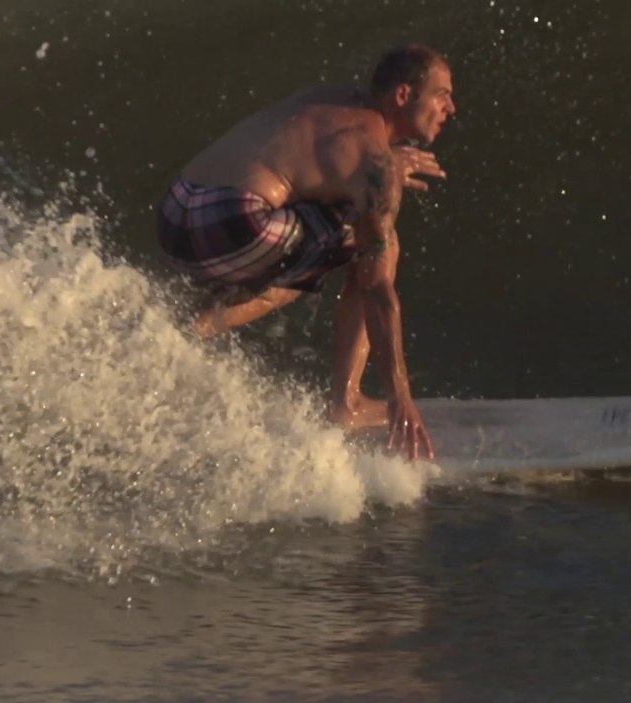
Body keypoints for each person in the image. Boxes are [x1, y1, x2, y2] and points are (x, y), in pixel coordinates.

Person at [156, 44, 455, 461]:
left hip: (177, 211)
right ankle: (345, 404)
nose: (451, 108)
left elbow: (322, 159)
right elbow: (377, 289)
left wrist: (381, 157)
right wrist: (399, 396)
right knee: (366, 249)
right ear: (403, 96)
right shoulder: (375, 166)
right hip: (228, 223)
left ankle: (178, 328)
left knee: (310, 254)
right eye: (441, 95)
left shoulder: (334, 99)